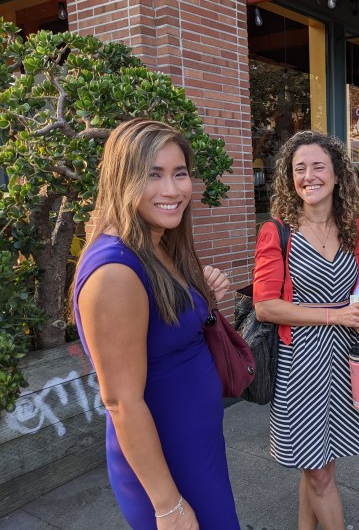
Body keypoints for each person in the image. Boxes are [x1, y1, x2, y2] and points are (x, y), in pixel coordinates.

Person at [71, 119, 239, 529]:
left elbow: (166, 322)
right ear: (122, 179)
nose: (172, 190)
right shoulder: (114, 270)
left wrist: (202, 288)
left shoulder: (158, 242)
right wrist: (167, 506)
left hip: (196, 449)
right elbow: (121, 402)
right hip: (165, 462)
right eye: (153, 175)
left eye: (179, 173)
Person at [252, 130, 359, 530]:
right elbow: (264, 307)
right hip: (300, 364)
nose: (309, 175)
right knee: (318, 471)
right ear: (290, 178)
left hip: (345, 364)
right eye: (299, 168)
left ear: (338, 175)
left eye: (318, 166)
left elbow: (358, 291)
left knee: (320, 466)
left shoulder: (356, 232)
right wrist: (337, 315)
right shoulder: (278, 232)